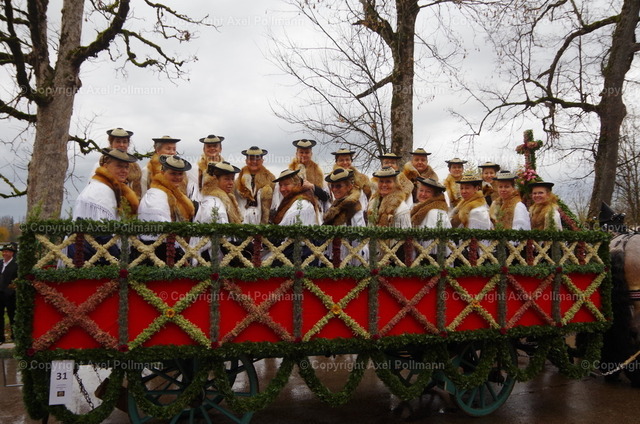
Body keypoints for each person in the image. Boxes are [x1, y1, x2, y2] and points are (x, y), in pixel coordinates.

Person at [67, 148, 140, 265]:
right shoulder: (100, 190)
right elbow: (101, 234)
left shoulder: (109, 188)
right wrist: (119, 259)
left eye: (126, 167)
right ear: (106, 166)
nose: (124, 171)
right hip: (86, 256)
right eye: (119, 166)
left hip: (93, 252)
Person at [191, 161, 242, 263]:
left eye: (232, 179)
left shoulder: (220, 200)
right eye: (226, 179)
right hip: (209, 260)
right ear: (215, 180)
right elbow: (219, 238)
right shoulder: (214, 204)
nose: (231, 183)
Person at [323, 168, 368, 265]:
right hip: (335, 257)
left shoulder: (353, 207)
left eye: (338, 186)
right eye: (332, 186)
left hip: (350, 260)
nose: (334, 189)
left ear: (349, 187)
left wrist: (356, 263)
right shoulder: (336, 205)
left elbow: (358, 239)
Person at [89, 127, 142, 197]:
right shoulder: (99, 165)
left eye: (124, 142)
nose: (121, 145)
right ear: (111, 143)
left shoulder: (135, 169)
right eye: (118, 141)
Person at [285, 139, 330, 211]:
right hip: (292, 209)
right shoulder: (289, 171)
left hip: (313, 209)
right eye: (301, 152)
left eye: (307, 152)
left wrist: (312, 187)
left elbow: (326, 197)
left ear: (311, 154)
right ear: (296, 154)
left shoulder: (318, 172)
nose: (304, 155)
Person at [411, 177, 451, 257]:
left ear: (435, 195)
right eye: (421, 190)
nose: (423, 194)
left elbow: (431, 241)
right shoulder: (420, 208)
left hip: (433, 256)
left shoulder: (435, 211)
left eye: (428, 191)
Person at [234, 146, 275, 224]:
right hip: (242, 220)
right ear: (246, 161)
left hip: (263, 221)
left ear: (262, 160)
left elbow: (275, 202)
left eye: (257, 159)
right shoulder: (238, 181)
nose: (254, 161)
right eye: (251, 159)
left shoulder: (271, 179)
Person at [188, 134, 225, 201]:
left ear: (220, 149)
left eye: (215, 146)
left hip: (222, 201)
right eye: (209, 146)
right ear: (204, 149)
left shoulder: (227, 169)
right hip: (203, 202)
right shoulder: (195, 168)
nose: (212, 148)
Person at [0, 243, 18, 345]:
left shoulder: (16, 264)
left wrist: (11, 290)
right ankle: (1, 338)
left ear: (12, 253)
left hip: (10, 295)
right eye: (3, 251)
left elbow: (18, 279)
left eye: (6, 252)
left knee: (12, 315)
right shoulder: (0, 263)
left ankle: (15, 337)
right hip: (0, 294)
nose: (4, 253)